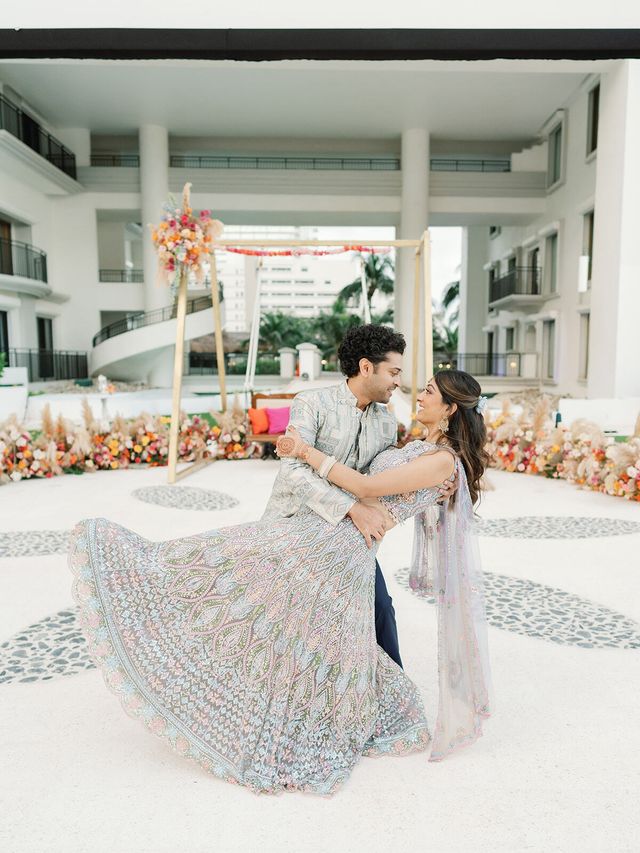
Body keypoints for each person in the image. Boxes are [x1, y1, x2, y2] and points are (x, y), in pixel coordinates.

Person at [69, 369, 492, 796]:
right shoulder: (421, 447)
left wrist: (306, 452)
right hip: (329, 532)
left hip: (340, 547)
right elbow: (371, 491)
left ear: (451, 408)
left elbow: (367, 484)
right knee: (249, 588)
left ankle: (279, 715)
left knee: (282, 617)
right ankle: (223, 682)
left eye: (429, 392)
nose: (418, 394)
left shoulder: (442, 462)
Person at [263, 323, 456, 669]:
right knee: (283, 618)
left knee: (380, 610)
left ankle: (393, 702)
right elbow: (292, 471)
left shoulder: (386, 422)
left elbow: (380, 478)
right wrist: (351, 508)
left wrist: (438, 487)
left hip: (349, 540)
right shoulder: (312, 403)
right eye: (393, 372)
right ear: (366, 367)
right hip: (293, 530)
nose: (398, 382)